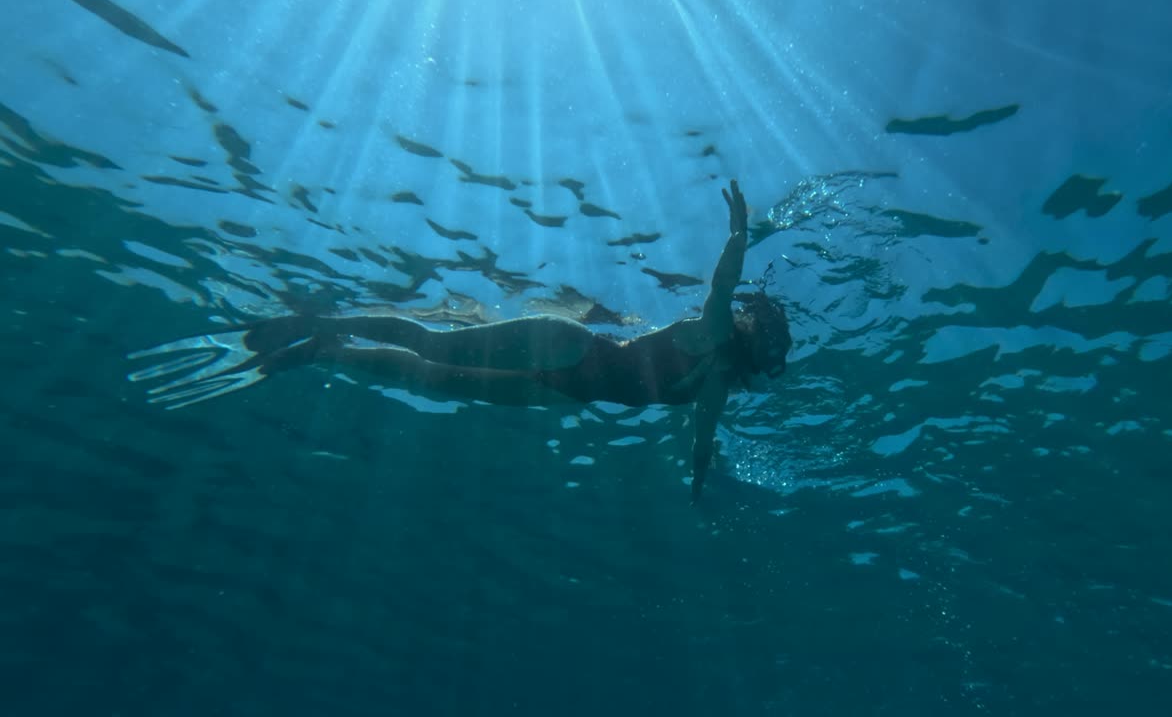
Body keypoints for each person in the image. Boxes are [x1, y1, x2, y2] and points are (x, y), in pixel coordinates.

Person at [129, 180, 792, 499]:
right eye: (774, 356)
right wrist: (737, 234)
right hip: (570, 349)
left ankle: (326, 353)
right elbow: (722, 287)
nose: (774, 372)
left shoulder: (715, 389)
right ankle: (319, 324)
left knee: (431, 379)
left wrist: (700, 488)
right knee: (436, 346)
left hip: (568, 394)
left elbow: (703, 443)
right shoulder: (709, 338)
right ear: (756, 343)